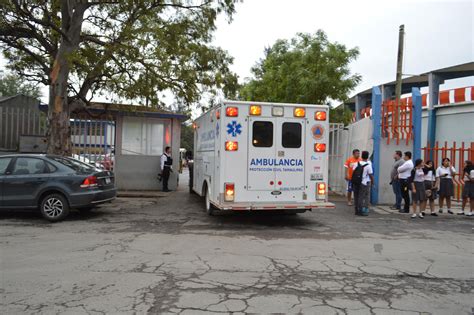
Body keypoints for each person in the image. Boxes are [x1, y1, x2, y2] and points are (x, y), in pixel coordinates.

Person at [352, 151, 374, 216]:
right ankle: (360, 211)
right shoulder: (368, 165)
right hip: (363, 183)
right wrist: (373, 182)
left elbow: (354, 171)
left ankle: (356, 210)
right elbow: (370, 175)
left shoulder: (356, 163)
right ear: (367, 157)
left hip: (356, 182)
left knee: (356, 196)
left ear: (361, 156)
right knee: (361, 197)